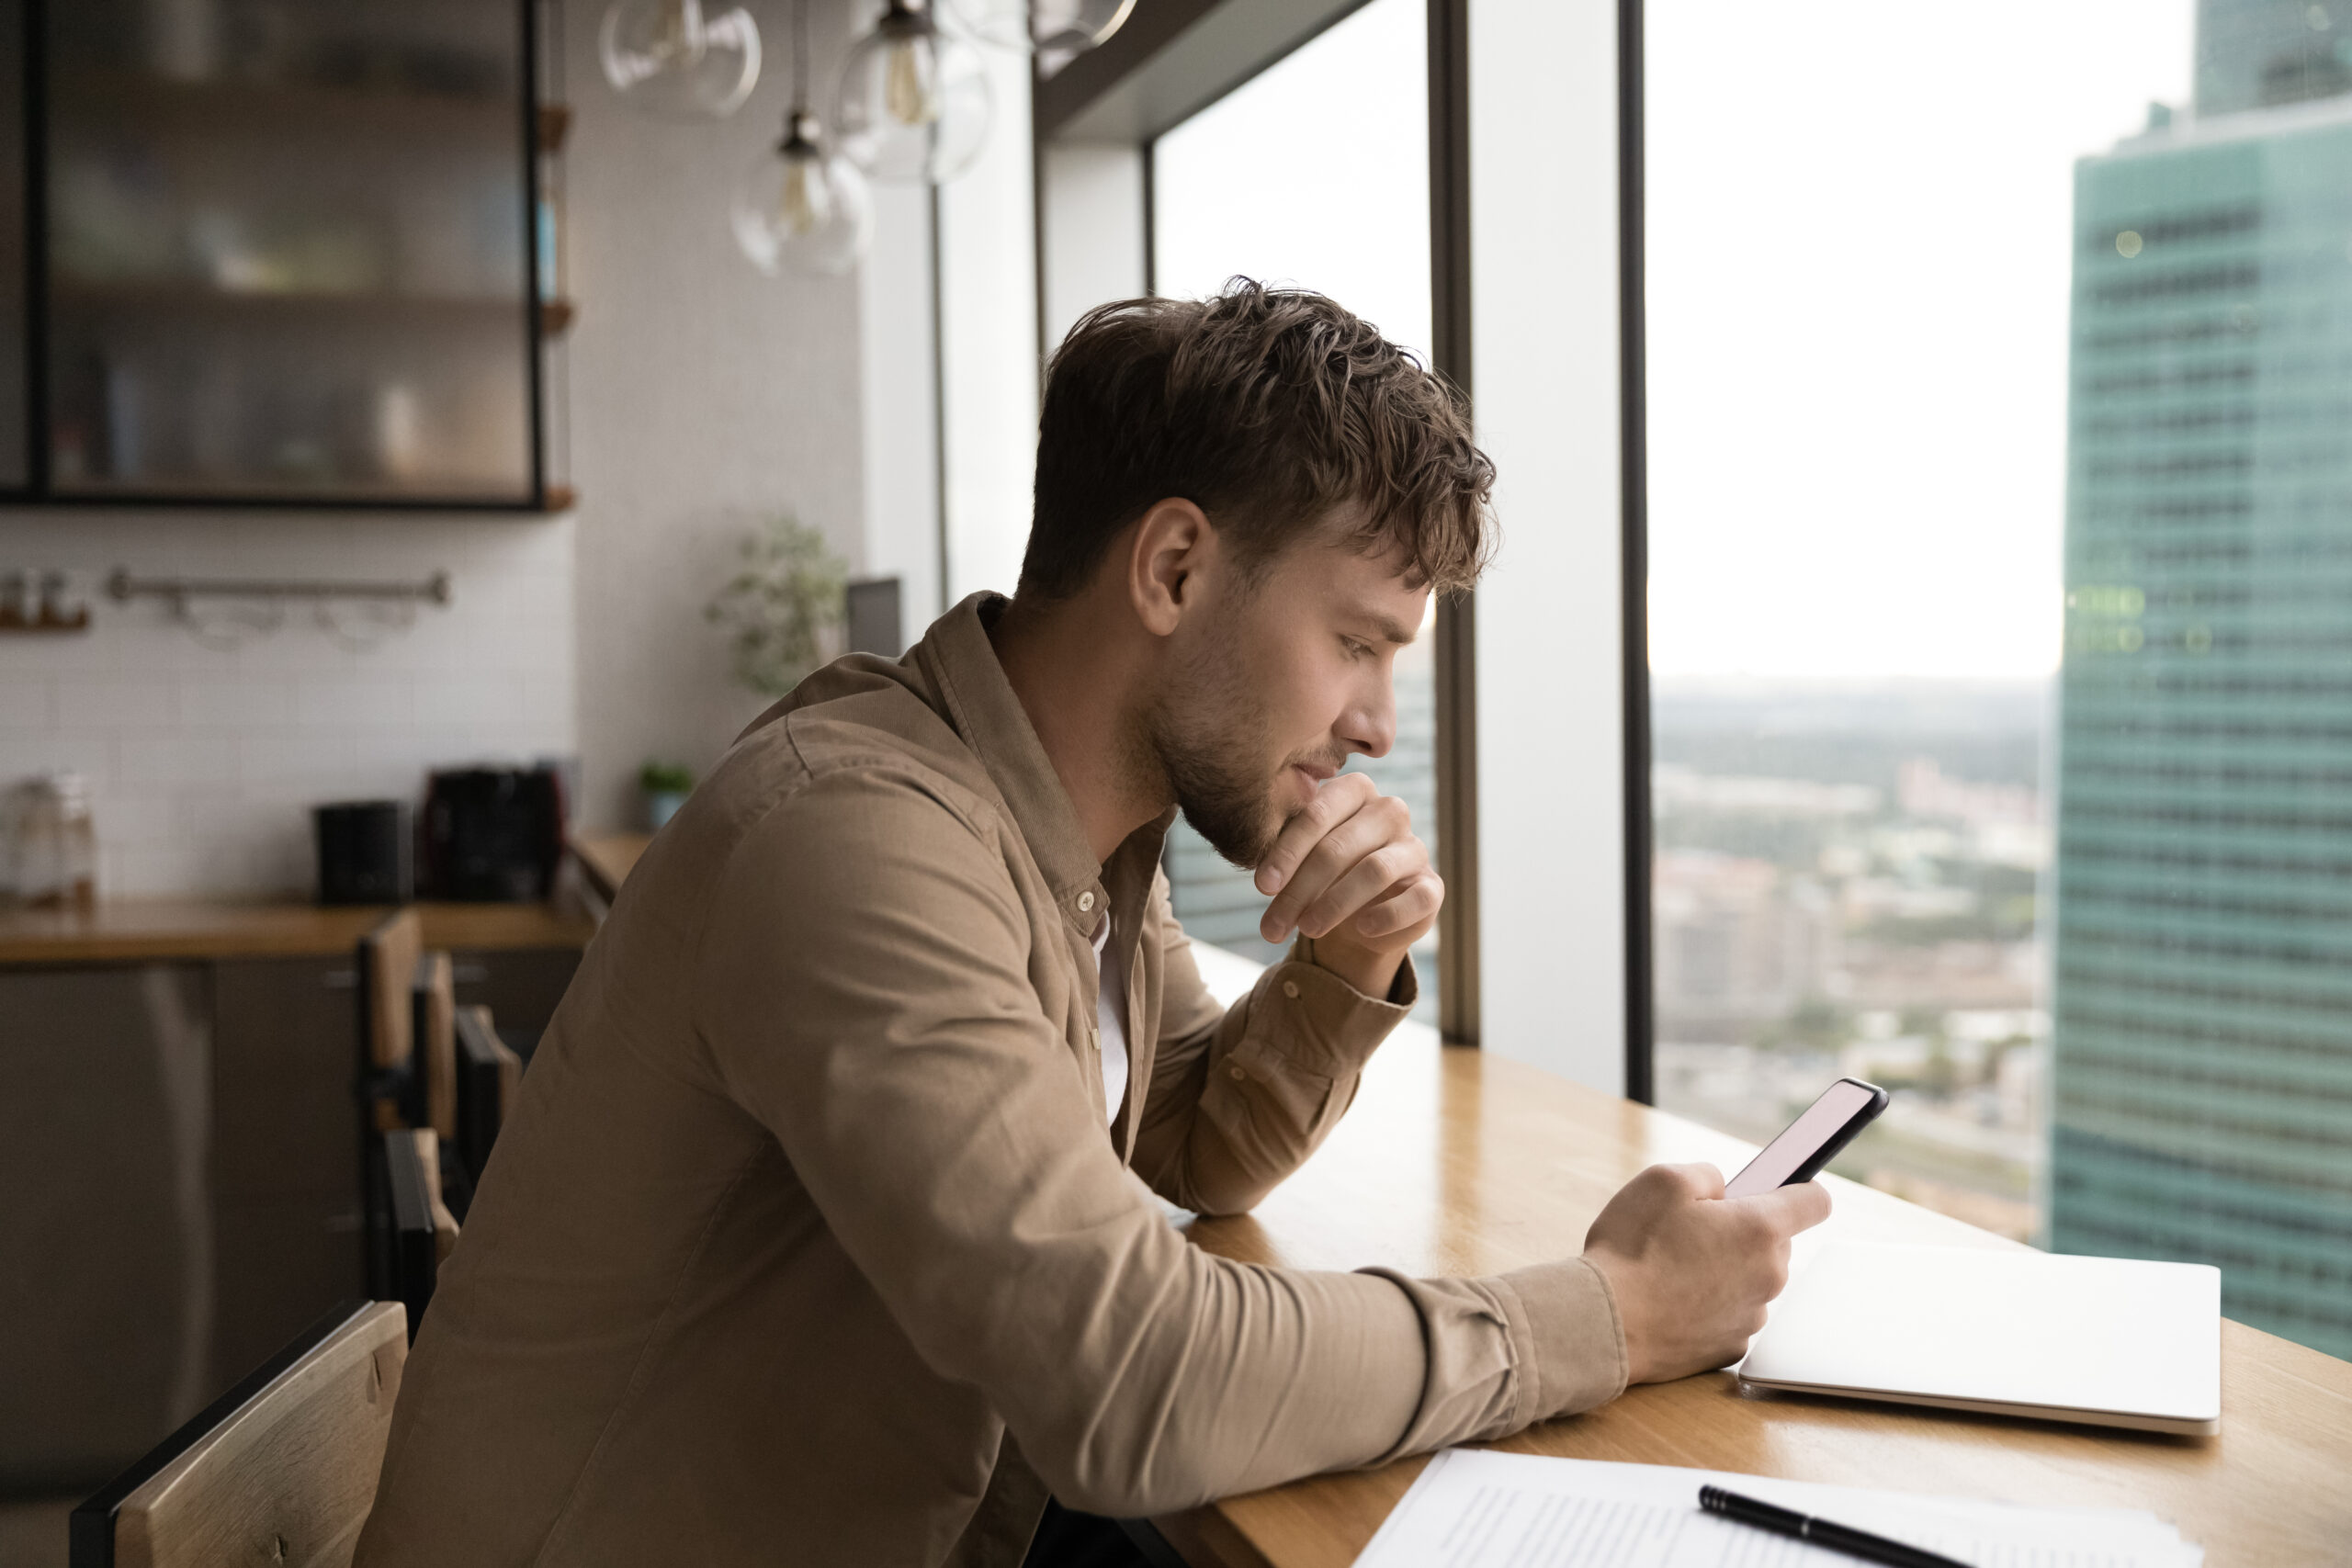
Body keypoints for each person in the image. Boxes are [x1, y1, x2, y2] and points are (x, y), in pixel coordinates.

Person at [354, 282, 1828, 1568]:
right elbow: (1136, 1387)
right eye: (1358, 642)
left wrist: (1344, 958)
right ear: (1175, 569)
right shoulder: (857, 838)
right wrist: (1613, 1316)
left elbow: (1187, 1132)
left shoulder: (1079, 839)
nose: (1377, 723)